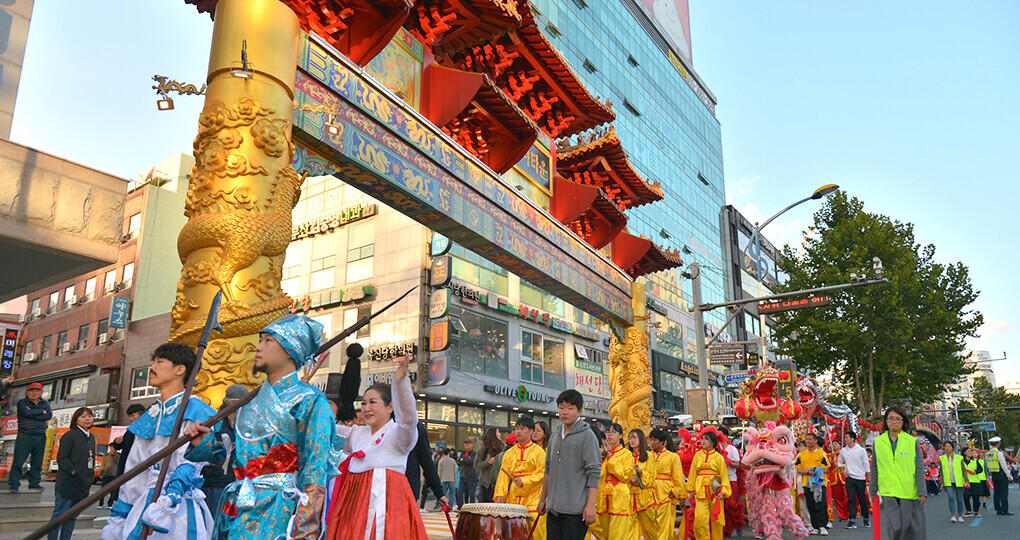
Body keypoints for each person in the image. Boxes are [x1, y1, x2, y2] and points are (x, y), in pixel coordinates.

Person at [185, 316, 342, 539]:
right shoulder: (251, 402)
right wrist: (204, 443)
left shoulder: (309, 400)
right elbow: (235, 456)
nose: (258, 347)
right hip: (238, 505)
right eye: (260, 340)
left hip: (279, 510)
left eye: (268, 340)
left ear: (290, 349)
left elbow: (314, 468)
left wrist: (306, 529)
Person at [103, 343, 218, 539]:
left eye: (159, 362)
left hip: (179, 507)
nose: (152, 368)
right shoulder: (150, 416)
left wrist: (169, 499)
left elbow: (191, 464)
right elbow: (135, 471)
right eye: (153, 362)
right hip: (143, 504)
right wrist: (121, 514)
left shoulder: (196, 411)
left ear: (180, 370)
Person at [326, 352, 428, 539]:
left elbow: (408, 419)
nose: (366, 408)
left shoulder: (399, 435)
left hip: (388, 502)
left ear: (391, 407)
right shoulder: (357, 433)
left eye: (373, 402)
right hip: (354, 504)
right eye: (364, 403)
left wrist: (400, 384)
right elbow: (325, 432)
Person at [537, 389, 600, 540]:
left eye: (570, 408)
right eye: (561, 407)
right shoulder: (555, 436)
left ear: (579, 411)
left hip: (576, 512)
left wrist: (591, 505)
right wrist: (542, 500)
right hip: (553, 509)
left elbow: (594, 473)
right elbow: (548, 470)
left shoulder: (587, 436)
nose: (564, 412)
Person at [869, 406, 928, 540]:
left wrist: (922, 491)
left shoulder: (912, 442)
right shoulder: (878, 442)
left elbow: (919, 467)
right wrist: (873, 488)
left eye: (897, 419)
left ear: (903, 422)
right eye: (890, 419)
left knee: (910, 526)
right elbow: (875, 466)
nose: (893, 422)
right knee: (895, 527)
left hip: (909, 491)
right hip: (888, 490)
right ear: (885, 421)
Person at [47, 406, 96, 540]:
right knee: (59, 515)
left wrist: (89, 477)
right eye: (83, 416)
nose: (87, 419)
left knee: (72, 516)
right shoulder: (70, 435)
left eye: (90, 416)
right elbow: (62, 458)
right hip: (68, 483)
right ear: (76, 420)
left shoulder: (91, 437)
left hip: (83, 484)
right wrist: (73, 471)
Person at [197, 383, 247, 515]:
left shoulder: (243, 424)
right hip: (215, 486)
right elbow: (206, 453)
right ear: (232, 403)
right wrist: (229, 449)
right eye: (246, 403)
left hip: (235, 485)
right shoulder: (214, 423)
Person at [495, 416, 547, 539]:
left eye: (522, 429)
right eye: (517, 428)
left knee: (536, 532)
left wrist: (524, 480)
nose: (518, 431)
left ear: (531, 431)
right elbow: (503, 475)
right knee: (514, 532)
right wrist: (500, 494)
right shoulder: (509, 453)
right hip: (514, 497)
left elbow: (543, 473)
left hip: (534, 497)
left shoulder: (539, 452)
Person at [593, 423, 636, 540]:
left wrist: (610, 458)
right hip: (602, 494)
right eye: (607, 432)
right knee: (605, 534)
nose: (609, 435)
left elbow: (625, 475)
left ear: (621, 436)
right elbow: (597, 474)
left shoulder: (627, 454)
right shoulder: (601, 453)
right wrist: (603, 456)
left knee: (617, 533)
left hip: (619, 494)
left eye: (613, 432)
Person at [687, 430, 731, 540]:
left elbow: (724, 476)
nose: (702, 441)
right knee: (700, 520)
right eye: (702, 439)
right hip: (701, 491)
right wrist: (691, 489)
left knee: (717, 520)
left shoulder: (718, 457)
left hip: (715, 492)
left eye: (706, 439)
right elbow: (693, 473)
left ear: (713, 442)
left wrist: (724, 492)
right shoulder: (697, 455)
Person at [8, 381, 52, 491]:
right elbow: (26, 414)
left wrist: (33, 413)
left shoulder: (45, 403)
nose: (34, 393)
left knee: (37, 461)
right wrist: (41, 412)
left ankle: (34, 483)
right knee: (19, 460)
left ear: (41, 392)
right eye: (32, 391)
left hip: (40, 435)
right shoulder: (22, 402)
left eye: (37, 391)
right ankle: (14, 483)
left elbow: (48, 415)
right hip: (25, 434)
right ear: (27, 392)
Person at [647, 427, 685, 540]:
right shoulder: (647, 456)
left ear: (663, 442)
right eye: (651, 440)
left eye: (655, 440)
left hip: (666, 494)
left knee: (665, 526)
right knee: (651, 525)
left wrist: (676, 491)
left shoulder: (673, 456)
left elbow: (678, 477)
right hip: (650, 493)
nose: (652, 443)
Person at [407, 421, 448, 510]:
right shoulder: (373, 426)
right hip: (379, 490)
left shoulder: (415, 428)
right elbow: (427, 462)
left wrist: (439, 492)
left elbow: (427, 462)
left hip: (406, 492)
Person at [795, 432, 830, 535]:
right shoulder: (801, 455)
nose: (808, 441)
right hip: (807, 483)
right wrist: (807, 471)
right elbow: (797, 469)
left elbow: (826, 468)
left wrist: (816, 471)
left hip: (819, 483)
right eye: (807, 439)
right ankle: (815, 527)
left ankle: (823, 526)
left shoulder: (821, 453)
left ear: (815, 441)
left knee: (821, 504)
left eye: (810, 439)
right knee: (811, 505)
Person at [837, 432, 871, 528]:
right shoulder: (843, 450)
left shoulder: (861, 450)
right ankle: (852, 520)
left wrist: (869, 479)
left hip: (860, 478)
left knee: (862, 499)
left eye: (846, 437)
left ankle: (866, 519)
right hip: (849, 478)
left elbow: (866, 465)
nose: (845, 439)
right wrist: (843, 471)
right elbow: (839, 462)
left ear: (852, 439)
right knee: (851, 499)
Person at [628, 428, 656, 540]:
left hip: (645, 497)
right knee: (630, 529)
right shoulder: (627, 455)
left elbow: (651, 477)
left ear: (641, 439)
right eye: (630, 438)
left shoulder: (648, 456)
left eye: (634, 437)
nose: (631, 440)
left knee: (650, 529)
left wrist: (640, 472)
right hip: (630, 496)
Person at [939, 441, 967, 522]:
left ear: (952, 448)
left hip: (959, 481)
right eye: (945, 446)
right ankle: (953, 515)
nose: (947, 448)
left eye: (949, 446)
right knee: (951, 498)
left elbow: (963, 470)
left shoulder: (959, 457)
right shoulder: (942, 458)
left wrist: (966, 481)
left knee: (959, 499)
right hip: (948, 482)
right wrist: (942, 482)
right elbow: (941, 471)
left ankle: (960, 515)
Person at [986, 436, 1014, 515]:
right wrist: (1009, 475)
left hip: (994, 475)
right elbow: (1004, 465)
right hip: (1001, 474)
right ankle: (1005, 509)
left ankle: (998, 509)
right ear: (998, 444)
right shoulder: (998, 453)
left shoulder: (988, 453)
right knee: (1004, 493)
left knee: (996, 492)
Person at [475, 427, 503, 503]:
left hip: (499, 483)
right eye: (498, 432)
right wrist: (488, 462)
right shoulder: (484, 449)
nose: (500, 434)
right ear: (493, 434)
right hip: (486, 483)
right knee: (486, 507)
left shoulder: (502, 448)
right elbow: (477, 464)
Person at [826, 440, 849, 522]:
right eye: (832, 444)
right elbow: (827, 466)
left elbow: (849, 464)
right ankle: (841, 516)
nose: (834, 445)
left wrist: (840, 465)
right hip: (834, 479)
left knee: (847, 496)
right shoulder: (829, 455)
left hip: (844, 478)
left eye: (836, 444)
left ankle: (847, 513)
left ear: (840, 445)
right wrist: (832, 459)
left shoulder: (845, 454)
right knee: (838, 499)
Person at [962, 447, 984, 517]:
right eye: (969, 451)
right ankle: (968, 511)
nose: (971, 453)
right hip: (966, 481)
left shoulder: (975, 461)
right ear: (965, 452)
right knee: (966, 496)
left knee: (976, 497)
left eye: (971, 451)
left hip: (975, 481)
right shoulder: (961, 461)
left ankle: (976, 511)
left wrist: (975, 471)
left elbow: (980, 469)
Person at [457, 437, 478, 507]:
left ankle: (471, 510)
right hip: (463, 476)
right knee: (459, 493)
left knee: (471, 495)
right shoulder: (462, 453)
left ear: (472, 445)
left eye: (468, 443)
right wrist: (465, 460)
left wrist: (463, 460)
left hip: (471, 476)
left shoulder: (474, 453)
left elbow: (472, 462)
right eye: (465, 443)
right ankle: (460, 508)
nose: (467, 445)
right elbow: (458, 462)